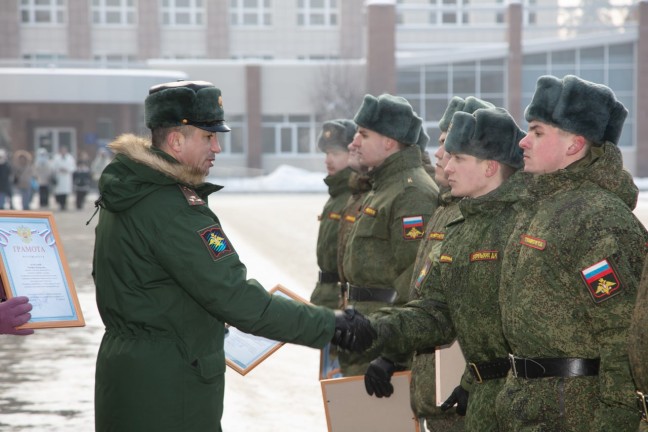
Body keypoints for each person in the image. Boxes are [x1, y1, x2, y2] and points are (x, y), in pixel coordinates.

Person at [91, 80, 373, 432]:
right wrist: (330, 325)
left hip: (131, 378)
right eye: (208, 137)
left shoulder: (130, 192)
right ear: (176, 140)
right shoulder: (173, 209)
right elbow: (237, 298)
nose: (218, 148)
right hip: (170, 389)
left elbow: (151, 289)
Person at [344, 107, 526, 431]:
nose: (445, 163)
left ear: (490, 167)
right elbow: (435, 312)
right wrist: (375, 329)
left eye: (458, 157)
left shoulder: (521, 227)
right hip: (482, 397)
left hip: (517, 403)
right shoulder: (462, 226)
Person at [494, 75, 646, 431]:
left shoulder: (598, 218)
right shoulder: (540, 206)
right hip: (529, 407)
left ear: (574, 145)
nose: (523, 141)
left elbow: (621, 331)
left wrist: (616, 418)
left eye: (537, 132)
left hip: (573, 413)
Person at [399, 96, 494, 432]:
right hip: (435, 384)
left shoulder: (473, 214)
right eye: (442, 145)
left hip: (465, 387)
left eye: (451, 149)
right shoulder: (446, 208)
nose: (439, 155)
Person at [338, 93, 439, 376]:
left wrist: (395, 357)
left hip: (384, 346)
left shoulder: (411, 193)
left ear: (388, 141)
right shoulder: (383, 187)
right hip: (367, 335)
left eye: (363, 134)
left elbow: (415, 283)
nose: (354, 142)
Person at [51, 145, 76, 211]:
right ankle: (60, 204)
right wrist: (59, 169)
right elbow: (53, 167)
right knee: (59, 192)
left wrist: (67, 170)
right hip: (59, 177)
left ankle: (64, 205)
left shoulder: (70, 158)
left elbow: (73, 167)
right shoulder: (56, 158)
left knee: (65, 192)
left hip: (66, 177)